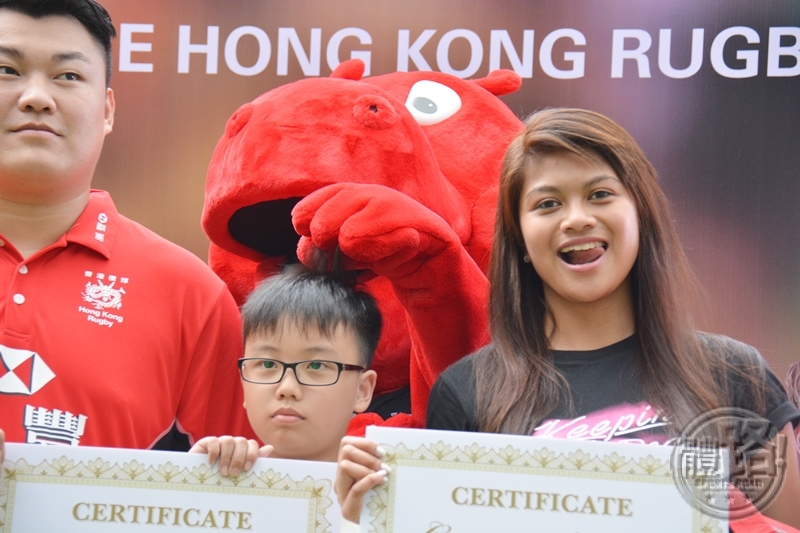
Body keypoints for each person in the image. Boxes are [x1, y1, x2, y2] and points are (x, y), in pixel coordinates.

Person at [336, 108, 800, 528]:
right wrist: (367, 516)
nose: (576, 219)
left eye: (599, 194)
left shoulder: (736, 375)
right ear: (518, 238)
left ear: (641, 215)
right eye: (547, 203)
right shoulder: (467, 393)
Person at [0, 0, 247, 450]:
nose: (36, 96)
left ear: (108, 110)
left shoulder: (188, 293)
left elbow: (247, 493)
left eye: (68, 76)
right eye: (7, 70)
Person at [190, 265, 381, 478]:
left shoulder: (386, 493)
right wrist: (196, 483)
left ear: (362, 390)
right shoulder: (217, 476)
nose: (287, 388)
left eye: (316, 366)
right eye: (268, 364)